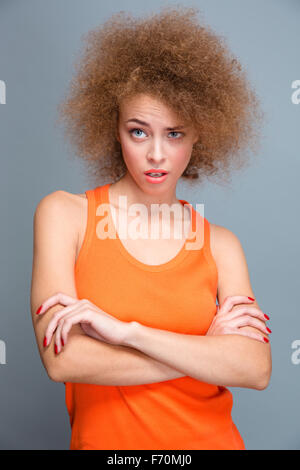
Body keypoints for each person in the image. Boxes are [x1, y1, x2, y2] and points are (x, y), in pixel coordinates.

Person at [30, 6, 272, 450]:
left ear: (200, 134)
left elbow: (254, 369)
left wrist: (128, 333)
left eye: (175, 133)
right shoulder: (65, 215)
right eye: (139, 132)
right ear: (115, 129)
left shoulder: (221, 245)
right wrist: (206, 353)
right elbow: (63, 360)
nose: (157, 154)